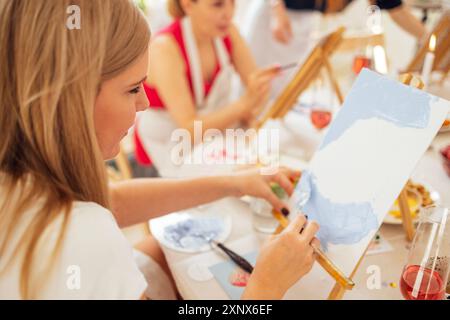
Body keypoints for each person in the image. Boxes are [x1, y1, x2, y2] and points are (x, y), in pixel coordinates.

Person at [0, 0, 319, 300]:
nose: (146, 103)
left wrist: (233, 183)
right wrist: (265, 287)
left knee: (165, 251)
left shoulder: (26, 181)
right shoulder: (83, 234)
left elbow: (112, 201)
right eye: (133, 89)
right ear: (73, 99)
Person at [135, 0, 281, 177]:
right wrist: (243, 106)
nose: (229, 13)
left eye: (232, 3)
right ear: (188, 5)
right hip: (164, 153)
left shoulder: (228, 32)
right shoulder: (164, 48)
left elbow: (255, 89)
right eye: (217, 5)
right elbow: (189, 129)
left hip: (210, 142)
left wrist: (259, 92)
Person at [243, 0, 427, 96]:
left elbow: (397, 10)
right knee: (255, 83)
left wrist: (428, 38)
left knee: (286, 86)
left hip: (305, 19)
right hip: (273, 13)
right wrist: (276, 10)